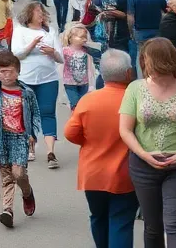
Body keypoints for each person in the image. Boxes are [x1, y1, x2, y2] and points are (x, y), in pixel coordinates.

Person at [118, 37, 176, 248]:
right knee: (153, 226)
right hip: (143, 166)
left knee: (174, 225)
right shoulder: (135, 89)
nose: (146, 65)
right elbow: (125, 129)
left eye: (149, 60)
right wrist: (143, 154)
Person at [64, 49, 138, 248]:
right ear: (129, 73)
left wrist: (89, 142)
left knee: (98, 216)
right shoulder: (135, 99)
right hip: (126, 173)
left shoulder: (88, 100)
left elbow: (70, 133)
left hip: (93, 172)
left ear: (102, 75)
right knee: (121, 220)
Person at [0, 52, 41, 229]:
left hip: (19, 137)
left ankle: (27, 193)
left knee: (18, 173)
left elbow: (36, 114)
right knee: (6, 176)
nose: (6, 75)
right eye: (2, 71)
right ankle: (7, 210)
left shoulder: (27, 93)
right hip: (0, 137)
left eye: (10, 71)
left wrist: (33, 134)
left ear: (18, 72)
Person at [11, 1, 63, 168]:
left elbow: (60, 58)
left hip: (49, 78)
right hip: (26, 79)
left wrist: (52, 52)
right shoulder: (20, 31)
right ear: (29, 14)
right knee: (28, 114)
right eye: (37, 12)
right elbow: (16, 54)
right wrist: (32, 45)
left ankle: (50, 152)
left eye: (42, 11)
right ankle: (30, 146)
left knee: (48, 112)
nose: (41, 14)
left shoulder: (50, 31)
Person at [128, 0, 168, 74]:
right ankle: (156, 75)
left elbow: (130, 16)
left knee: (141, 55)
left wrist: (131, 32)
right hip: (157, 30)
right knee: (155, 55)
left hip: (140, 31)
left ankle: (142, 78)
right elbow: (165, 13)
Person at [62, 24, 97, 111]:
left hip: (84, 83)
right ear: (71, 38)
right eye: (81, 37)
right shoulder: (65, 51)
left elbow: (89, 68)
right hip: (69, 83)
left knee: (83, 105)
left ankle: (81, 118)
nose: (84, 39)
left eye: (85, 37)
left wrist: (91, 84)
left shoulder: (86, 51)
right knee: (75, 105)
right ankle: (75, 118)